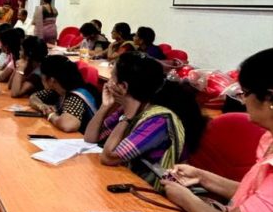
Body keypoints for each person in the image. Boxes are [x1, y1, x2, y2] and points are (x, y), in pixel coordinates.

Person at [161, 48, 273, 212]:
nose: (242, 100)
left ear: (270, 99)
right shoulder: (269, 138)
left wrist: (185, 198)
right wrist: (203, 177)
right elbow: (257, 196)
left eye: (245, 93)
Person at [84, 52, 205, 190]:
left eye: (112, 77)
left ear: (123, 86)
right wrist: (105, 107)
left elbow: (108, 158)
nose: (108, 83)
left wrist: (127, 117)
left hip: (154, 190)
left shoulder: (158, 121)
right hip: (129, 179)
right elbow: (90, 138)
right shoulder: (131, 105)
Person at [29, 55, 100, 133]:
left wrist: (50, 114)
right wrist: (42, 106)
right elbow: (33, 97)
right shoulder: (58, 89)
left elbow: (68, 125)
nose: (41, 79)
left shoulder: (77, 95)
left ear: (52, 80)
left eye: (42, 76)